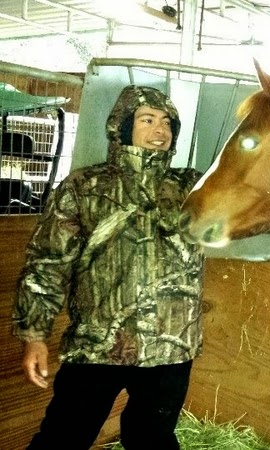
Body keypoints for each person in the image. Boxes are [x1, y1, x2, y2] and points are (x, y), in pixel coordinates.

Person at [12, 85, 204, 450]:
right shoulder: (84, 186)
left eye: (167, 122)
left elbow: (249, 201)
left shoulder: (191, 187)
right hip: (98, 344)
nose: (160, 130)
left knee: (153, 441)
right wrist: (34, 334)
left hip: (171, 346)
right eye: (147, 120)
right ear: (123, 126)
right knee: (62, 438)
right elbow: (47, 263)